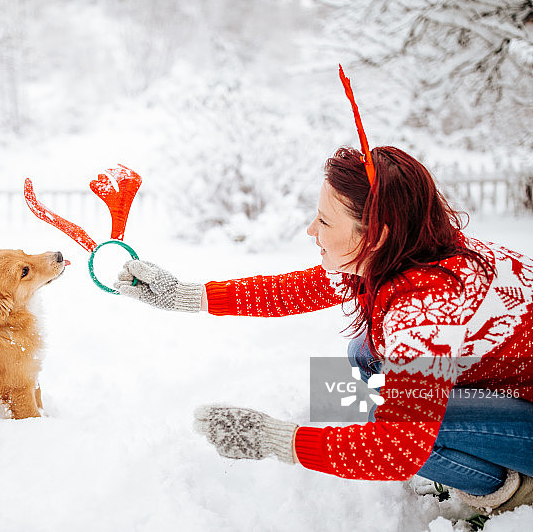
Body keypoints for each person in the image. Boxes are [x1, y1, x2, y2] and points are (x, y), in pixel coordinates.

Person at [114, 144, 533, 517]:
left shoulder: (426, 301)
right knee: (365, 353)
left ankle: (508, 491)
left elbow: (396, 448)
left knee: (401, 425)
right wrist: (185, 295)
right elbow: (295, 291)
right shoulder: (405, 250)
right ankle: (429, 436)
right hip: (513, 381)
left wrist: (274, 439)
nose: (310, 230)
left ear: (375, 234)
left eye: (323, 222)